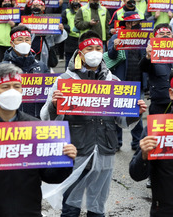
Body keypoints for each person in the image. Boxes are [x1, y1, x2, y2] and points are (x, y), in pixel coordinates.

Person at [41, 31, 147, 217]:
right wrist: (54, 106)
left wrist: (135, 113)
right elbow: (46, 119)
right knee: (70, 209)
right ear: (80, 53)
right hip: (76, 151)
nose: (95, 52)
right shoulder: (64, 81)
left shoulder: (113, 82)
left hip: (105, 150)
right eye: (89, 48)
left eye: (98, 48)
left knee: (97, 209)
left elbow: (122, 122)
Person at [0, 63, 77, 216]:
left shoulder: (37, 128)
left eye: (16, 86)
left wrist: (65, 160)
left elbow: (51, 177)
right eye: (5, 87)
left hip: (28, 210)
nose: (12, 91)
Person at [129, 79, 173, 217]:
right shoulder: (156, 129)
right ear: (171, 94)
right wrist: (143, 155)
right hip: (165, 210)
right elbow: (136, 174)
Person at [106, 11, 145, 151]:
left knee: (137, 112)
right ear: (128, 23)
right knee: (117, 112)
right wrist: (115, 46)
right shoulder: (117, 36)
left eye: (139, 22)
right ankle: (117, 142)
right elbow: (111, 55)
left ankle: (137, 142)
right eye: (135, 22)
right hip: (122, 80)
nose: (138, 25)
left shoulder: (143, 38)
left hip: (138, 80)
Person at [1, 25, 50, 118]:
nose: (24, 43)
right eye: (19, 40)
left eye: (27, 39)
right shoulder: (2, 68)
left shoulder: (41, 66)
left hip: (36, 119)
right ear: (12, 43)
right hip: (12, 120)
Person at [140, 24, 173, 115]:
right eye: (161, 33)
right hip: (159, 103)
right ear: (155, 37)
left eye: (168, 33)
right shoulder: (151, 53)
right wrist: (148, 56)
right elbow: (143, 68)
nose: (165, 35)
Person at [62, 0, 82, 66]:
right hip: (70, 37)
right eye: (73, 1)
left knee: (79, 58)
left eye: (77, 1)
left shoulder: (83, 10)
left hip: (81, 37)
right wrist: (68, 28)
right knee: (69, 58)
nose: (75, 3)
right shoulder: (66, 12)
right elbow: (62, 23)